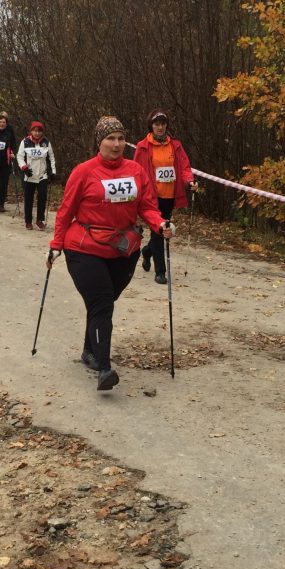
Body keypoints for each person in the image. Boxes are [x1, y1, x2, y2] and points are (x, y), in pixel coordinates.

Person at [49, 116, 172, 392]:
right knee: (103, 302)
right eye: (110, 139)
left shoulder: (136, 171)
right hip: (84, 248)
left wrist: (160, 224)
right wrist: (56, 244)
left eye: (120, 138)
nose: (116, 144)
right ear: (99, 142)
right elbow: (66, 211)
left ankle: (89, 351)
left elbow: (147, 206)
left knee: (102, 304)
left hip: (123, 249)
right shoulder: (84, 172)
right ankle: (104, 368)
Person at [133, 109, 196, 285]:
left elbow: (184, 167)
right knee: (159, 231)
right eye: (156, 124)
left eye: (163, 124)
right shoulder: (143, 146)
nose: (160, 127)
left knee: (159, 232)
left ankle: (147, 252)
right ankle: (160, 271)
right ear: (151, 126)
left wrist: (189, 181)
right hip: (151, 197)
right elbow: (136, 170)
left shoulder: (175, 145)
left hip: (169, 196)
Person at [18, 121, 56, 230]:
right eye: (35, 131)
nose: (37, 133)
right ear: (31, 131)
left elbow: (51, 157)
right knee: (29, 198)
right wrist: (24, 167)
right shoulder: (25, 142)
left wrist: (53, 172)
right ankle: (28, 221)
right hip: (29, 175)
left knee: (42, 197)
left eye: (39, 131)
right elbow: (19, 157)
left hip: (42, 175)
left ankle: (40, 220)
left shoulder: (46, 142)